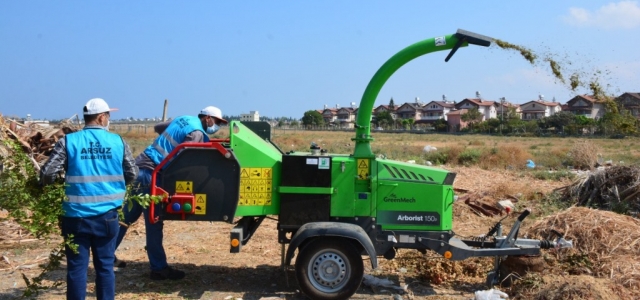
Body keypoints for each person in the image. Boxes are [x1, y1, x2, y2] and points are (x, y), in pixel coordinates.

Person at [40, 98, 138, 300]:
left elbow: (47, 174)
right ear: (102, 117)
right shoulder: (118, 142)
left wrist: (56, 184)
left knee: (76, 269)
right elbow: (133, 174)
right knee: (105, 268)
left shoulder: (68, 141)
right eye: (108, 115)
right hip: (107, 218)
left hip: (75, 217)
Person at [115, 106, 227, 280]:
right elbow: (183, 163)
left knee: (126, 217)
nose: (217, 126)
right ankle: (158, 268)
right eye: (217, 122)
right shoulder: (197, 133)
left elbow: (159, 127)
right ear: (207, 118)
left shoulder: (184, 119)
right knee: (154, 221)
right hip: (152, 173)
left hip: (140, 167)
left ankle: (105, 257)